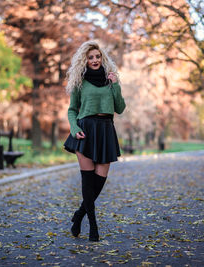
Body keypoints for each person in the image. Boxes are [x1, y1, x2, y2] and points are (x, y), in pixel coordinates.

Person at [63, 40, 126, 242]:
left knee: (99, 182)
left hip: (106, 130)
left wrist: (115, 85)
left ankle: (79, 215)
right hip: (85, 131)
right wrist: (74, 128)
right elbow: (72, 110)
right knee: (87, 182)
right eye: (91, 57)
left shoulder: (110, 80)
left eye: (98, 56)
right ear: (85, 60)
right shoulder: (80, 82)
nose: (95, 60)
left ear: (102, 58)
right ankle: (93, 226)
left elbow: (120, 108)